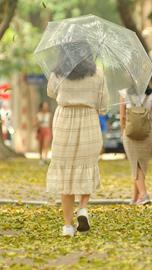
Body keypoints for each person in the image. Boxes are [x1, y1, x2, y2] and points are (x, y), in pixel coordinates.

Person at [46, 44, 109, 238]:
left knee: (66, 173)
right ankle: (82, 208)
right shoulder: (98, 73)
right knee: (86, 167)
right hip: (89, 123)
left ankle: (67, 226)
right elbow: (104, 106)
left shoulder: (58, 73)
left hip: (64, 123)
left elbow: (51, 93)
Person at [120, 84, 152, 205]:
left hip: (129, 132)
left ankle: (144, 196)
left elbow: (123, 116)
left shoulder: (124, 94)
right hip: (147, 132)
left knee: (135, 163)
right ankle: (135, 197)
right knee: (141, 164)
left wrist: (122, 132)